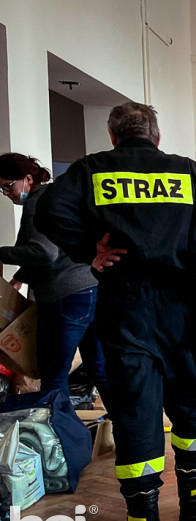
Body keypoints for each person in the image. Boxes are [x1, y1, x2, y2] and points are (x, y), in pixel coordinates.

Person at [38, 102, 196, 521]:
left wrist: (90, 249)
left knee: (135, 409)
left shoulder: (91, 170)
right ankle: (194, 499)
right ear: (157, 136)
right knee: (189, 400)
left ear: (112, 135)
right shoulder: (186, 172)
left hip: (124, 306)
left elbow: (46, 210)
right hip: (184, 305)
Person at [0, 153, 108, 401]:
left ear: (28, 179)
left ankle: (57, 436)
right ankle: (127, 430)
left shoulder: (37, 202)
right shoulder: (60, 197)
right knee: (99, 367)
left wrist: (2, 253)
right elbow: (59, 247)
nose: (7, 194)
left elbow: (44, 252)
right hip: (90, 287)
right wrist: (20, 276)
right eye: (2, 190)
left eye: (8, 186)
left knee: (53, 373)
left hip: (65, 295)